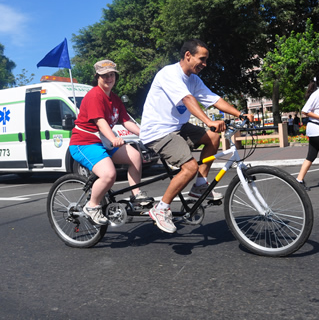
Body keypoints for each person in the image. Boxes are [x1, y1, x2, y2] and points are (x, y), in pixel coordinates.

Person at [140, 39, 253, 233]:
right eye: (202, 59)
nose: (205, 64)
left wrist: (239, 114)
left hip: (178, 127)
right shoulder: (169, 74)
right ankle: (161, 208)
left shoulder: (193, 79)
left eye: (206, 60)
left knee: (213, 138)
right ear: (187, 55)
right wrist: (209, 121)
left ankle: (200, 186)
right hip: (157, 131)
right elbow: (187, 99)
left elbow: (214, 98)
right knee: (189, 167)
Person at [69, 60, 151, 225]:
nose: (108, 78)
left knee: (135, 156)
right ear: (97, 77)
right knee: (109, 174)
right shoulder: (94, 95)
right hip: (84, 143)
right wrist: (114, 138)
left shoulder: (114, 98)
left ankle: (136, 195)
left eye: (111, 74)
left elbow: (126, 121)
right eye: (104, 75)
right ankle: (92, 206)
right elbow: (100, 122)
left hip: (103, 142)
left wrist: (147, 134)